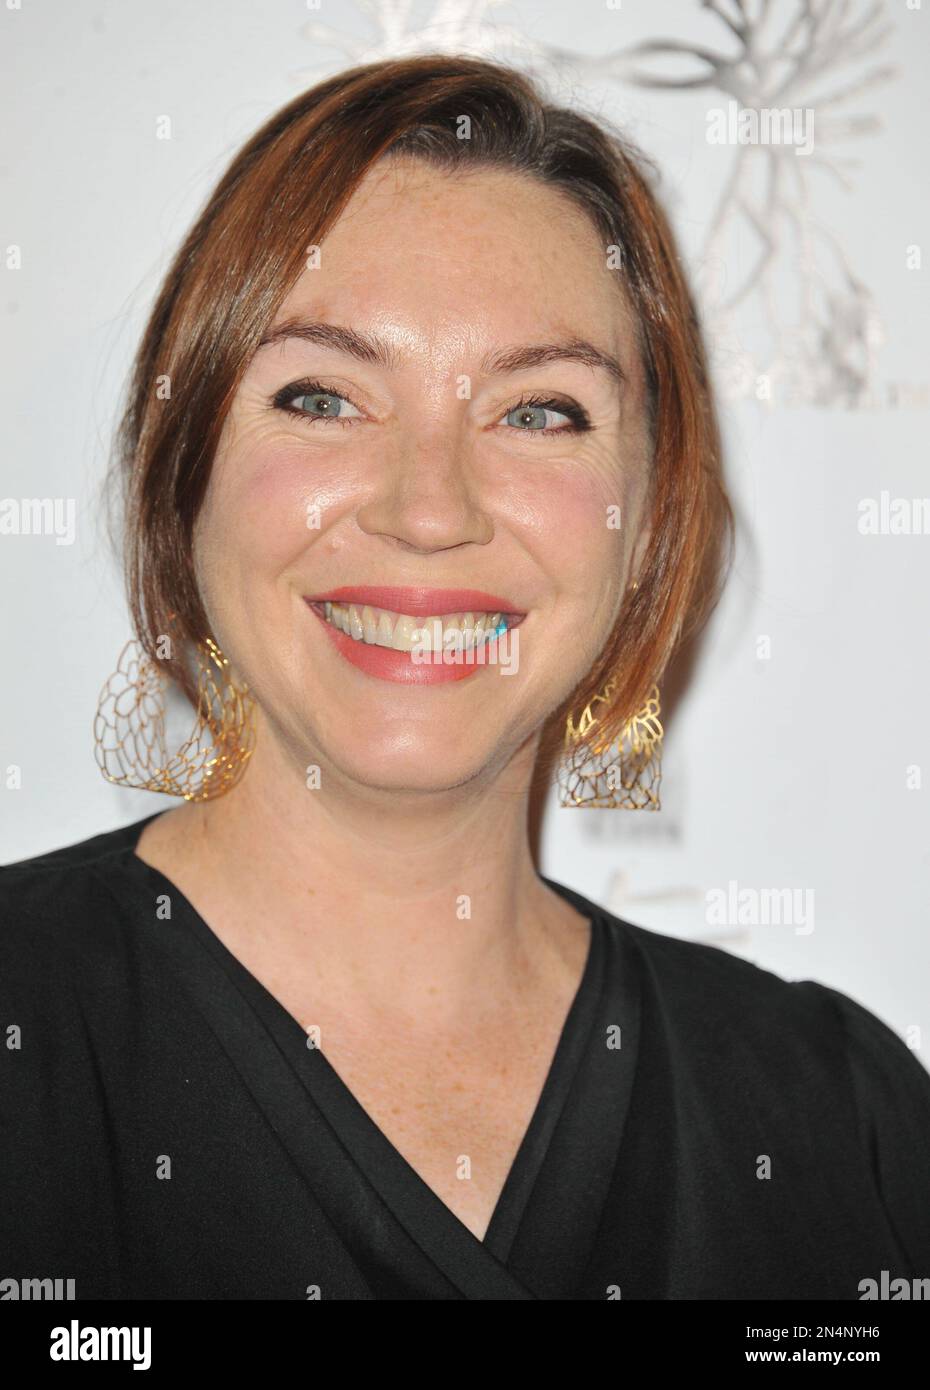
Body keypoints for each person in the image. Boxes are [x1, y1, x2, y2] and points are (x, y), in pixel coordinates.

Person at [2, 54, 928, 1301]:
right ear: (186, 483)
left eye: (539, 412)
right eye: (323, 395)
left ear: (649, 523)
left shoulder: (843, 1119)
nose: (428, 509)